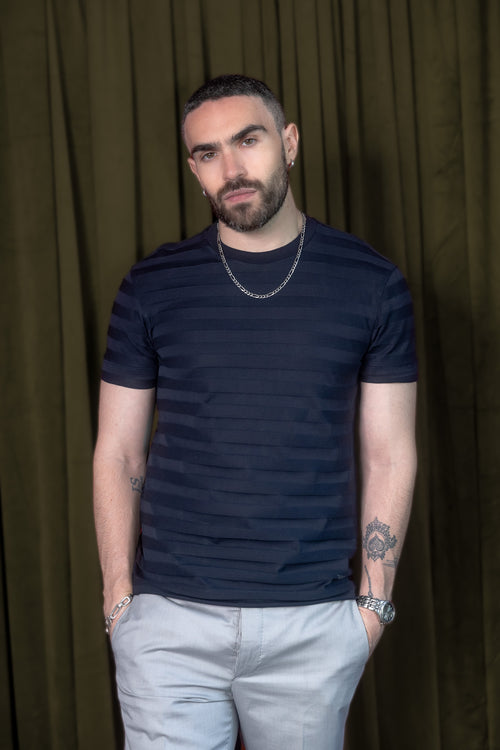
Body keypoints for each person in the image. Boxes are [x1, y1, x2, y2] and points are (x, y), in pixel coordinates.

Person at [93, 74, 418, 750]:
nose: (232, 169)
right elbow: (119, 452)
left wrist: (373, 605)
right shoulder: (152, 286)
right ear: (193, 169)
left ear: (289, 142)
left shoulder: (371, 283)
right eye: (208, 153)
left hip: (312, 624)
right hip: (169, 625)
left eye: (249, 140)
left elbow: (389, 452)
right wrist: (121, 600)